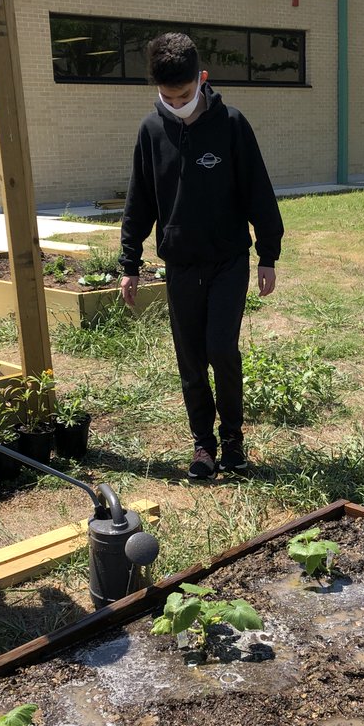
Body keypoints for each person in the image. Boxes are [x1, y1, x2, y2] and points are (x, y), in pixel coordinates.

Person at [119, 32, 284, 479]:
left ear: (202, 79)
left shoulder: (231, 124)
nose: (177, 103)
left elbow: (258, 192)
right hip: (181, 264)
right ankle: (203, 445)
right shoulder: (151, 131)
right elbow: (140, 201)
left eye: (185, 94)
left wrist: (268, 254)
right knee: (190, 357)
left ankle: (233, 438)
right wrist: (129, 263)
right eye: (168, 96)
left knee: (220, 349)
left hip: (229, 260)